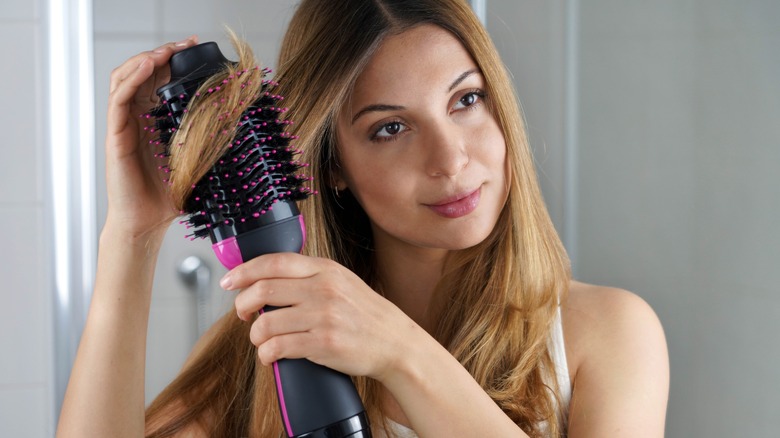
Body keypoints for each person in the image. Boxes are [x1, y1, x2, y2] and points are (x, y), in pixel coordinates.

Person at [57, 0, 669, 436]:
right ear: (332, 166)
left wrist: (400, 353)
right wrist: (131, 236)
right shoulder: (272, 349)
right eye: (391, 128)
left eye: (466, 100)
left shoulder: (605, 333)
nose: (451, 159)